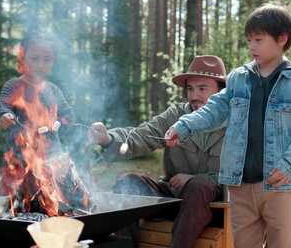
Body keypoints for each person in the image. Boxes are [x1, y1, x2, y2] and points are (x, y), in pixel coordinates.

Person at [165, 4, 291, 248]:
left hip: (278, 183)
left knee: (283, 244)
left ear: (282, 39)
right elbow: (214, 109)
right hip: (239, 184)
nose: (252, 47)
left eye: (258, 39)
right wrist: (183, 126)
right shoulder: (238, 78)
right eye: (249, 40)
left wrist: (289, 163)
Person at [89, 55, 228, 248]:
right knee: (128, 182)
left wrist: (196, 179)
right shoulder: (176, 115)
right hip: (174, 198)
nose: (194, 96)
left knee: (199, 186)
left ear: (221, 91)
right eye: (190, 88)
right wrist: (108, 138)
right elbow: (143, 134)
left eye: (202, 88)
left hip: (216, 206)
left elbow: (247, 174)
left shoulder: (237, 121)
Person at [0, 34, 74, 196]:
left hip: (52, 160)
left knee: (53, 199)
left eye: (46, 59)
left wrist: (62, 122)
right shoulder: (14, 86)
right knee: (12, 200)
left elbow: (68, 113)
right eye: (34, 58)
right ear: (23, 58)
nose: (40, 64)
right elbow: (1, 105)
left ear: (53, 62)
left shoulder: (53, 90)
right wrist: (4, 115)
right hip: (19, 159)